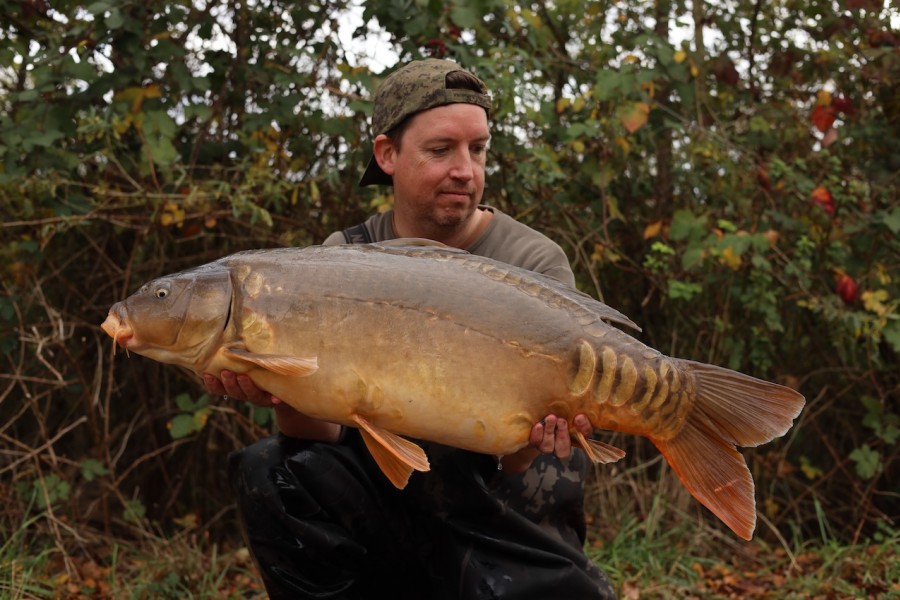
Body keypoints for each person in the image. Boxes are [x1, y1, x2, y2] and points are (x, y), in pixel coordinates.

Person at [204, 58, 617, 600]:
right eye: (441, 150)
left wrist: (538, 440)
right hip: (391, 500)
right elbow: (324, 434)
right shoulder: (339, 261)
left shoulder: (531, 262)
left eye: (478, 149)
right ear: (387, 155)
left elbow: (524, 459)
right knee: (271, 468)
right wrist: (279, 390)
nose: (465, 170)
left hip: (501, 509)